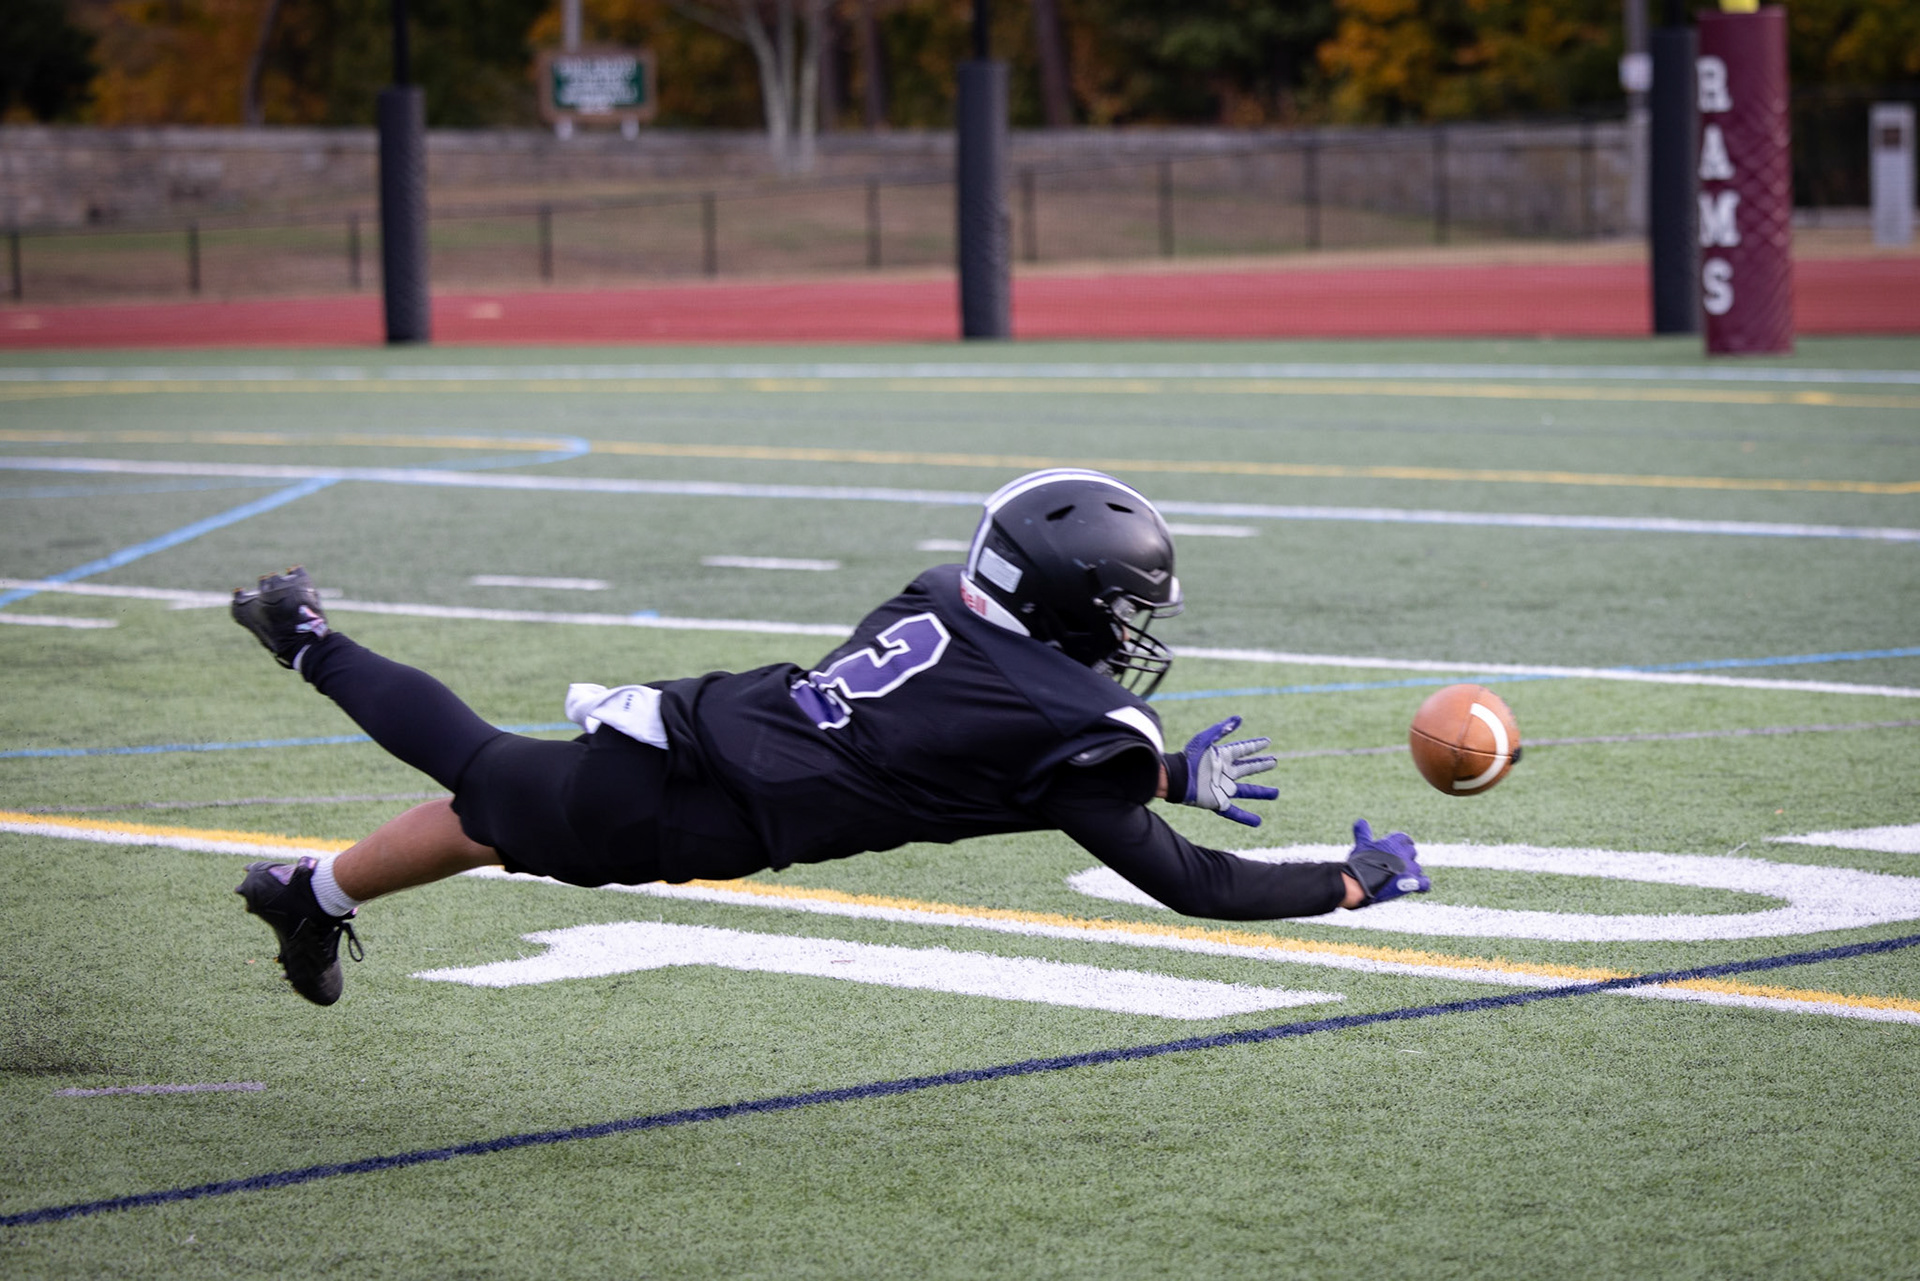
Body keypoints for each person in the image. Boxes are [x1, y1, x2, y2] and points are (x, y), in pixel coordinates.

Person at [232, 468, 1429, 1006]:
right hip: (684, 807)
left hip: (715, 726)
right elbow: (1193, 883)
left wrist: (1158, 769)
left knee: (489, 812)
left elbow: (948, 774)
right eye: (1119, 610)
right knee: (482, 779)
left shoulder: (936, 602)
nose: (1127, 637)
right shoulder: (1069, 722)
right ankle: (303, 638)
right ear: (1066, 600)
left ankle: (314, 895)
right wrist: (1349, 881)